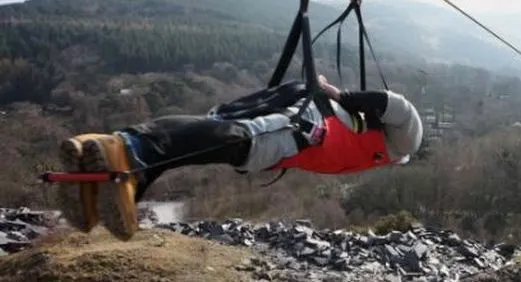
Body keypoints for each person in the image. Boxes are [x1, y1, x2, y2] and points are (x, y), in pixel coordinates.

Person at [55, 74, 423, 240]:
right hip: (306, 126)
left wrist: (338, 99)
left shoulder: (369, 142)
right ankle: (127, 150)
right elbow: (401, 109)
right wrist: (341, 96)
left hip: (302, 121)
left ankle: (114, 180)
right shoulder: (396, 145)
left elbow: (388, 110)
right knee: (237, 141)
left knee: (213, 129)